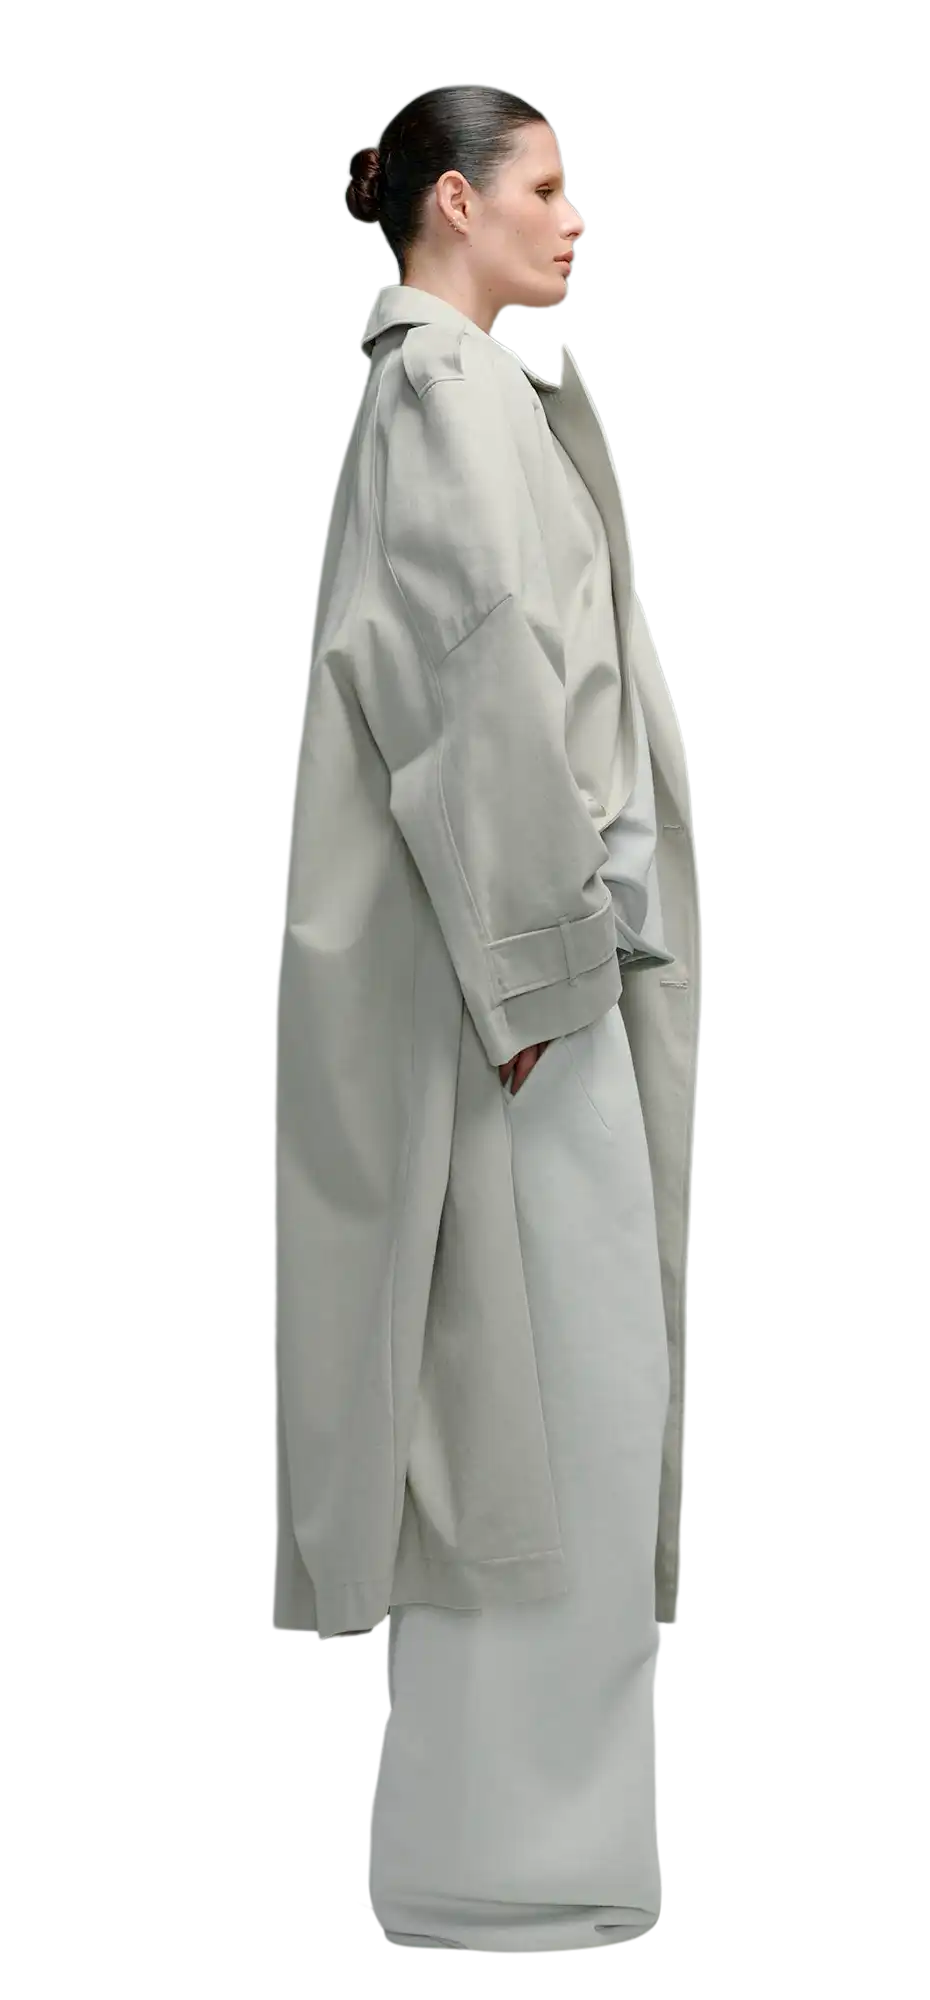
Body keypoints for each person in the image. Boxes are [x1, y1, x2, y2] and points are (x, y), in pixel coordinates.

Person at [280, 83, 702, 1956]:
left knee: (536, 1421)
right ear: (453, 204)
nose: (574, 216)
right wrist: (540, 966)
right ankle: (517, 1870)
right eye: (544, 184)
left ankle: (500, 1855)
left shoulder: (468, 389)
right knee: (547, 1425)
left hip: (541, 972)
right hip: (527, 992)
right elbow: (466, 677)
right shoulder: (445, 391)